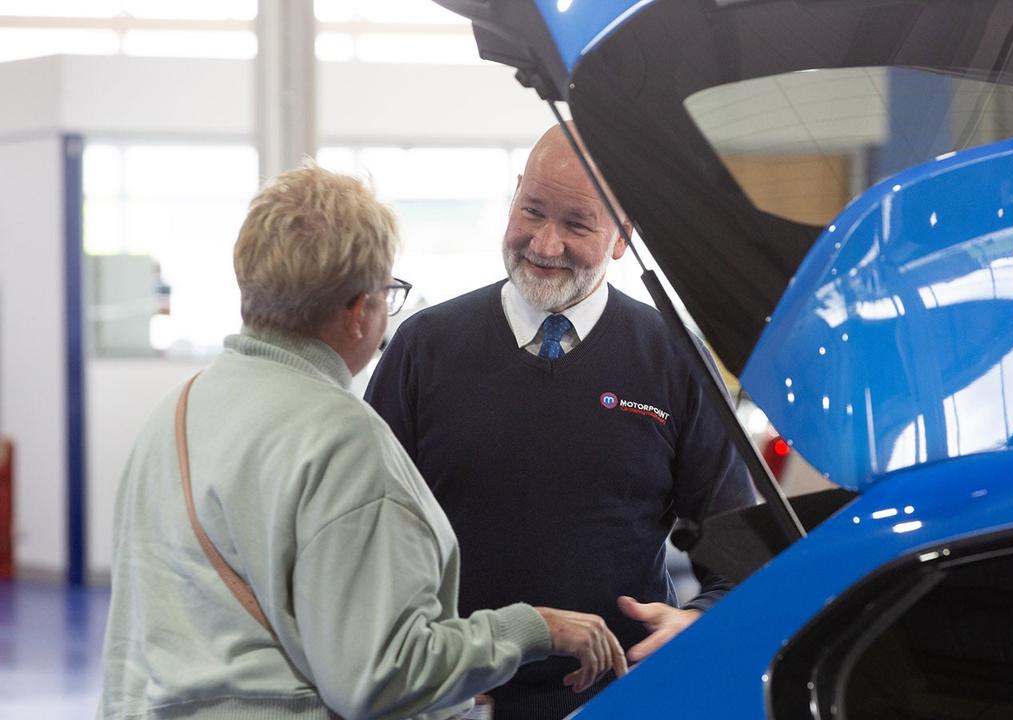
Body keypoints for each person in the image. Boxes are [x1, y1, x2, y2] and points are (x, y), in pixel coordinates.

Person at [98, 164, 626, 720]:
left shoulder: (177, 412)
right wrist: (533, 628)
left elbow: (137, 642)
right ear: (357, 312)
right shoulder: (340, 439)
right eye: (386, 293)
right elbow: (378, 677)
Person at [364, 124, 756, 719]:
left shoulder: (674, 358)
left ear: (624, 235)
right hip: (455, 701)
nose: (545, 244)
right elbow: (368, 540)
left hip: (621, 700)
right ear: (515, 193)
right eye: (532, 211)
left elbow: (742, 553)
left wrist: (697, 621)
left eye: (577, 224)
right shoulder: (425, 347)